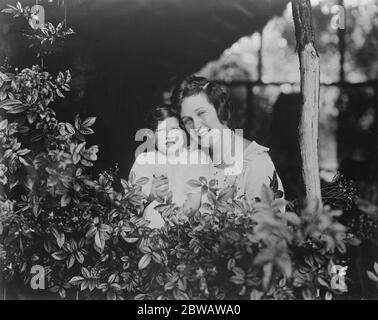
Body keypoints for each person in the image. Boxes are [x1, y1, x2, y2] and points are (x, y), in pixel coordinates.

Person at [170, 75, 285, 204]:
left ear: (219, 109)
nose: (196, 126)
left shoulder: (255, 161)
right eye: (187, 121)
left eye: (201, 113)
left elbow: (270, 219)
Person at [130, 104, 211, 228]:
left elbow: (197, 197)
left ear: (185, 131)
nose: (168, 135)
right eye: (161, 131)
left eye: (174, 129)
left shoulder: (197, 157)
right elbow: (131, 200)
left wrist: (181, 216)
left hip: (188, 224)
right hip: (152, 229)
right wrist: (150, 194)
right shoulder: (145, 160)